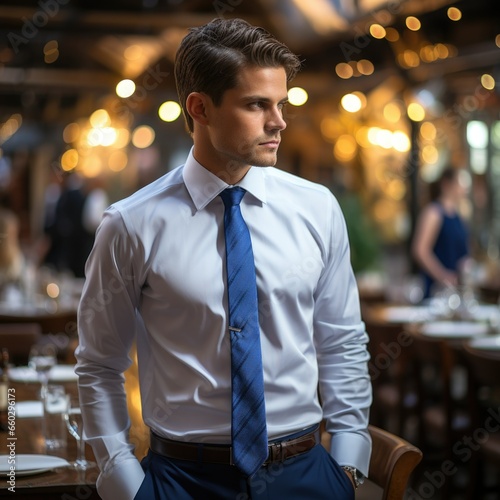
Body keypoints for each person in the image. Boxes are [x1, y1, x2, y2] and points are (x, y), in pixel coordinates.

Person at [75, 18, 372, 500]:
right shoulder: (130, 225)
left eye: (281, 104)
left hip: (306, 475)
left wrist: (348, 463)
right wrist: (122, 481)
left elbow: (341, 342)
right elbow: (99, 363)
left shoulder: (318, 208)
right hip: (182, 481)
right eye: (257, 105)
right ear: (200, 108)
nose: (278, 121)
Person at [412, 167, 470, 299]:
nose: (464, 188)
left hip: (455, 292)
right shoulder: (434, 213)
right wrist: (443, 276)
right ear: (446, 184)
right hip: (437, 292)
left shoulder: (458, 216)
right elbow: (420, 250)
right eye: (461, 182)